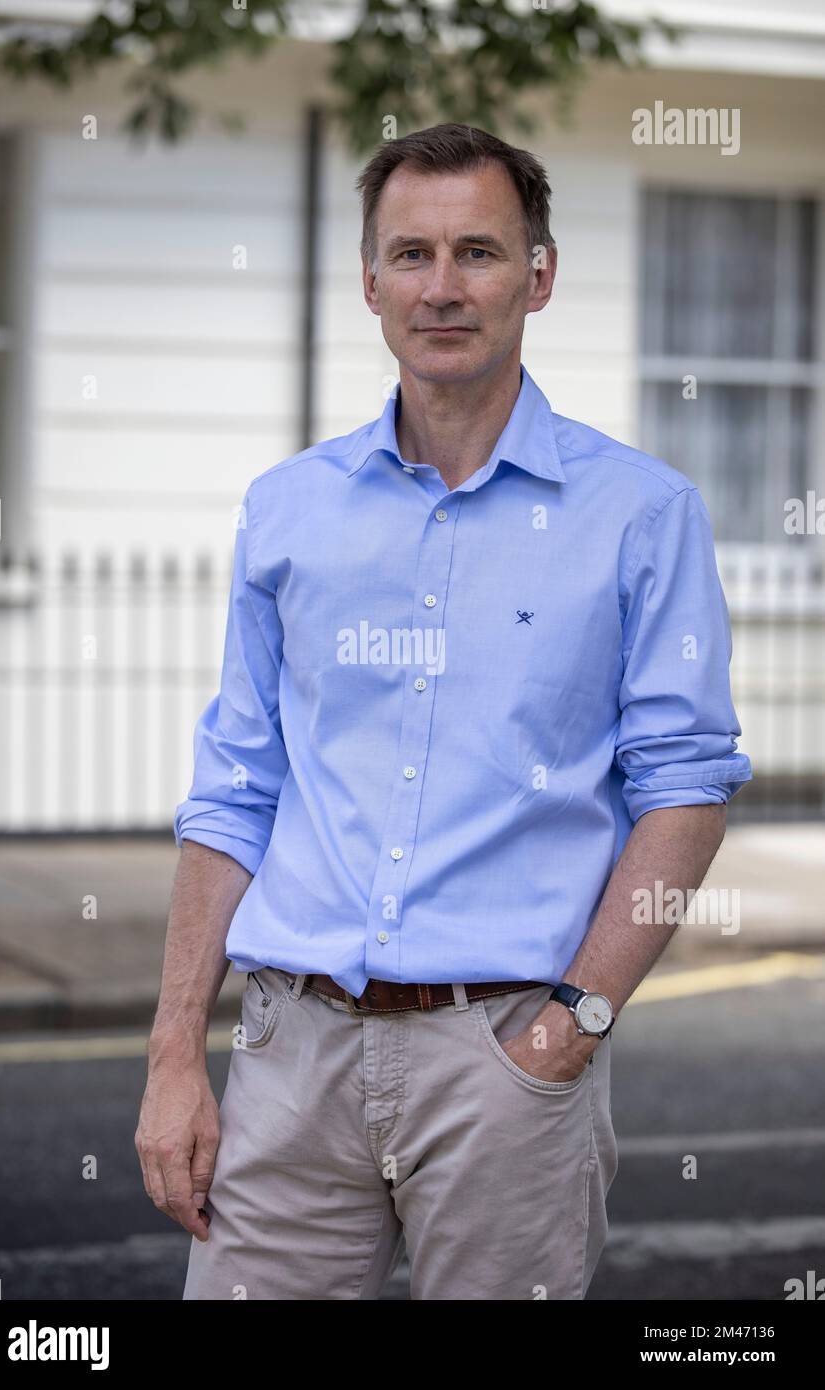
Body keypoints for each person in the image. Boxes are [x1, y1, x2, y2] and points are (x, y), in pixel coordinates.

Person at [135, 122, 752, 1300]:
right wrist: (175, 1054)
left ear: (540, 275)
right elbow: (236, 787)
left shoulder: (641, 515)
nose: (443, 286)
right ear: (369, 281)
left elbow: (684, 788)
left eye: (479, 250)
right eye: (411, 254)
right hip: (290, 1056)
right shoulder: (289, 510)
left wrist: (571, 1027)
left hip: (508, 1059)